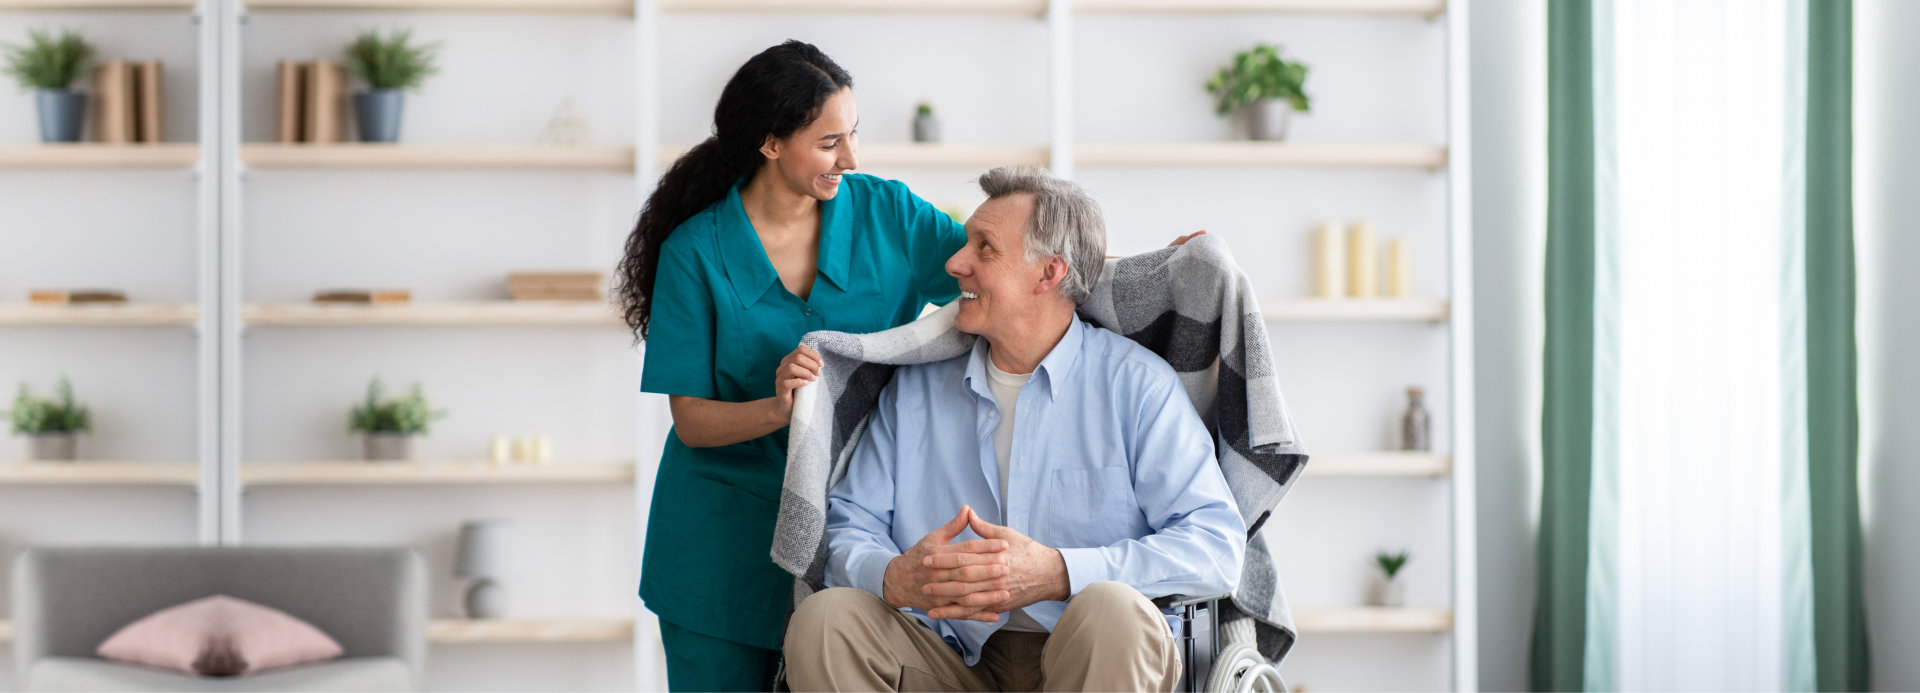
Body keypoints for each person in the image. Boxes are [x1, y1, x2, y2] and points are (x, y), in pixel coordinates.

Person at [783, 166, 1246, 692]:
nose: (955, 264)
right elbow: (849, 525)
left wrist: (1060, 572)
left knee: (1113, 608)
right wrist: (892, 575)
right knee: (826, 621)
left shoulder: (1137, 386)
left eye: (984, 249)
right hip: (949, 656)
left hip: (1089, 657)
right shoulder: (916, 390)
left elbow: (1217, 547)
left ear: (1049, 274)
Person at [614, 40, 969, 691]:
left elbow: (1000, 272)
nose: (852, 158)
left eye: (853, 135)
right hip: (719, 549)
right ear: (770, 143)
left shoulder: (887, 213)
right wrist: (779, 408)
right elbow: (691, 420)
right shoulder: (696, 252)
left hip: (855, 536)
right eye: (830, 142)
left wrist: (1148, 268)